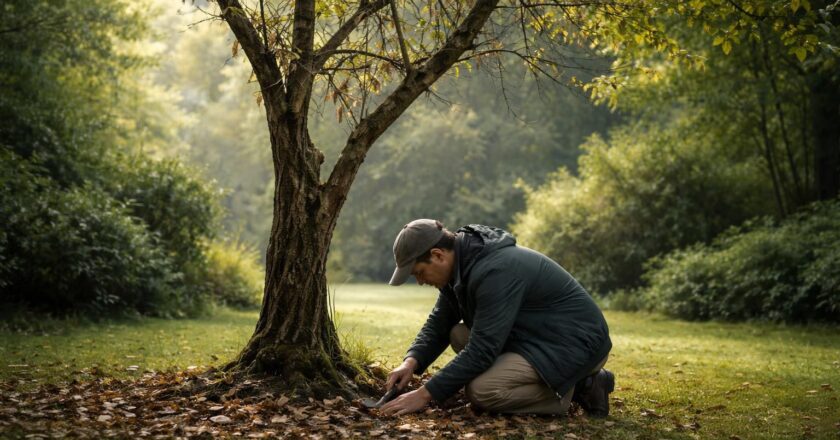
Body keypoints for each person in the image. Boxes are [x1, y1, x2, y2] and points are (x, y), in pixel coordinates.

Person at [380, 219, 614, 417]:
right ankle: (567, 382)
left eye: (419, 273)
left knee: (482, 391)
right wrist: (411, 362)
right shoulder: (462, 266)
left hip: (574, 344)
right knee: (458, 334)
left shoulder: (494, 272)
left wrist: (424, 395)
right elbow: (440, 322)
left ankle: (577, 388)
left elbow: (483, 350)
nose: (420, 281)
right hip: (535, 337)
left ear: (438, 255)